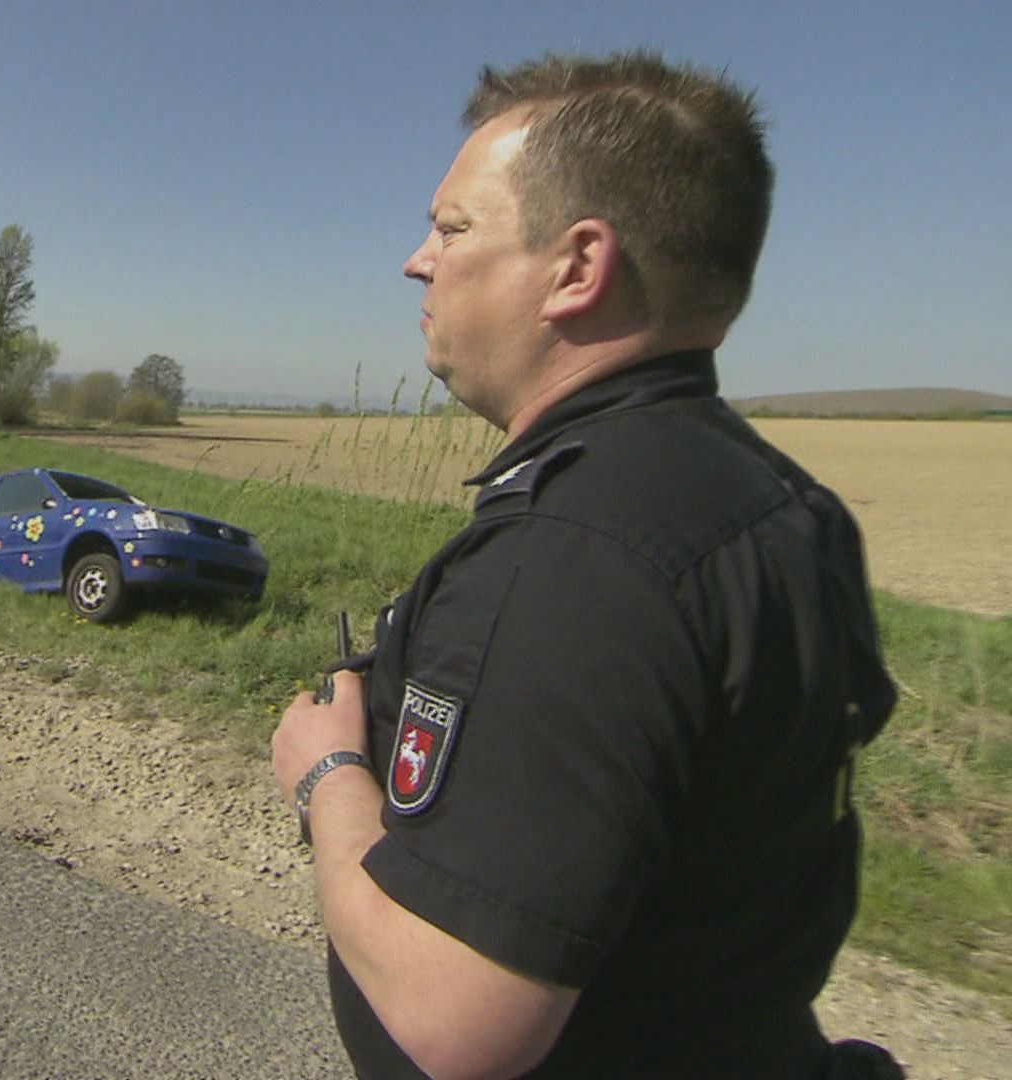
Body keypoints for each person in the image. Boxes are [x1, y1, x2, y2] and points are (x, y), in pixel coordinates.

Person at [272, 52, 900, 1078]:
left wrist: (327, 776)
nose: (417, 261)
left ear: (577, 267)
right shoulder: (781, 502)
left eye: (453, 228)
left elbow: (455, 1018)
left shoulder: (578, 559)